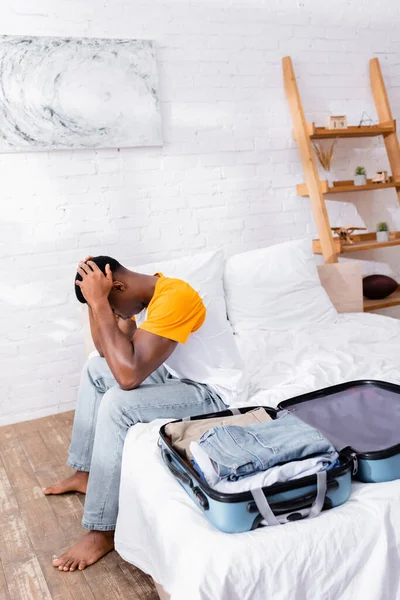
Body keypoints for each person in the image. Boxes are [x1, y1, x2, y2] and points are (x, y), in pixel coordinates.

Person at [44, 255, 246, 572]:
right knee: (96, 369)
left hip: (214, 393)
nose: (114, 315)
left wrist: (100, 304)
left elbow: (127, 377)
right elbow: (106, 354)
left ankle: (102, 529)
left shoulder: (175, 295)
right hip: (178, 377)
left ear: (120, 286)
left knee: (116, 402)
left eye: (113, 305)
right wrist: (93, 302)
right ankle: (86, 473)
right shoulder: (146, 296)